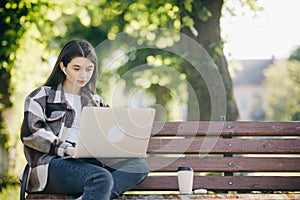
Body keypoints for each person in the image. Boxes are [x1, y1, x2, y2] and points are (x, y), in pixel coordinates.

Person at [20, 39, 149, 200]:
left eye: (89, 69)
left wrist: (121, 143)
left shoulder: (96, 101)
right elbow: (32, 134)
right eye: (77, 68)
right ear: (63, 67)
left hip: (88, 164)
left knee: (139, 166)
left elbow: (108, 134)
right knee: (100, 178)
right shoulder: (41, 96)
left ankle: (90, 196)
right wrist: (68, 149)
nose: (83, 75)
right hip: (51, 165)